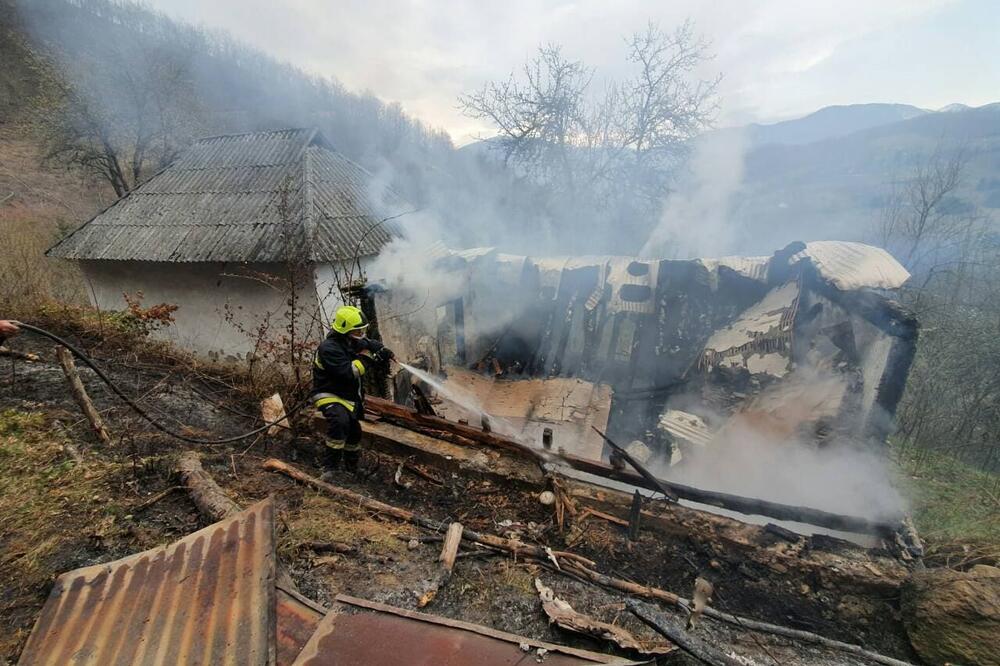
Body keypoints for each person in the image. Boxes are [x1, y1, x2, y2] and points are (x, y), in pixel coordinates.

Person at [312, 305, 393, 474]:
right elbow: (349, 372)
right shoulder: (329, 348)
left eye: (362, 330)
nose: (361, 334)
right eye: (358, 331)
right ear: (345, 330)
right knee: (339, 422)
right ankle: (330, 469)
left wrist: (379, 348)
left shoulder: (350, 340)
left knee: (354, 432)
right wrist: (369, 357)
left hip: (347, 396)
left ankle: (351, 470)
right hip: (329, 394)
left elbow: (366, 343)